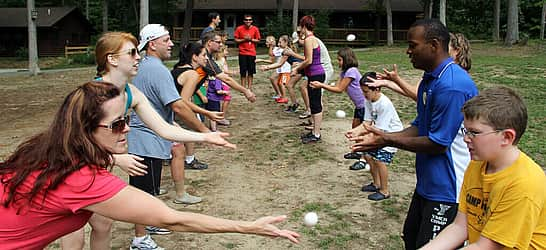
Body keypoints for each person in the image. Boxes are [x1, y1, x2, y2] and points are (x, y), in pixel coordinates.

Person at [0, 82, 301, 250]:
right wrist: (246, 227)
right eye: (117, 124)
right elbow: (172, 219)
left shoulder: (54, 149)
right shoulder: (83, 179)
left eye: (128, 119)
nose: (127, 129)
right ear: (86, 130)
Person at [59, 31, 226, 250]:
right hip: (71, 169)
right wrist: (116, 159)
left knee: (103, 224)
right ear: (112, 59)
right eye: (132, 53)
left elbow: (163, 128)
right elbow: (69, 142)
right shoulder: (91, 95)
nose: (138, 57)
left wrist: (205, 136)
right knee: (74, 234)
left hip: (95, 168)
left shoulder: (131, 92)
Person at [346, 19, 478, 249]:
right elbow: (420, 126)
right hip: (428, 183)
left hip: (448, 189)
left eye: (413, 45)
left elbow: (438, 143)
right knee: (411, 238)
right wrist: (381, 138)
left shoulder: (452, 85)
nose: (408, 51)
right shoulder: (431, 79)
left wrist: (386, 139)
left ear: (434, 45)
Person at [421, 87, 546, 249]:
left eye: (474, 132)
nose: (466, 139)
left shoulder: (524, 184)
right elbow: (460, 226)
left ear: (506, 137)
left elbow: (486, 247)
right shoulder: (477, 164)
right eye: (465, 131)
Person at [358, 72, 403, 201]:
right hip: (378, 131)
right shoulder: (368, 100)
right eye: (363, 91)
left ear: (376, 89)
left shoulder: (384, 104)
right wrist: (355, 133)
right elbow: (366, 122)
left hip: (392, 134)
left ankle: (384, 191)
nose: (364, 94)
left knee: (380, 160)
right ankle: (376, 184)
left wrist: (366, 137)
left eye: (366, 91)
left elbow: (380, 129)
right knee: (367, 155)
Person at [291, 15, 327, 144]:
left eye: (300, 26)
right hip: (315, 74)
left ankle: (316, 134)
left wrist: (296, 69)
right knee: (313, 103)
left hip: (316, 74)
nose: (299, 29)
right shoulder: (312, 38)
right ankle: (314, 131)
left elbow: (309, 60)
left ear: (303, 26)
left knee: (316, 104)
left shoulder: (308, 39)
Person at [200, 31, 256, 103]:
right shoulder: (205, 57)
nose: (221, 45)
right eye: (218, 42)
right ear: (210, 42)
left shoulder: (206, 55)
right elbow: (225, 79)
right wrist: (245, 91)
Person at [260, 35, 292, 104]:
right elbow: (271, 55)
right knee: (279, 83)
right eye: (278, 42)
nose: (279, 44)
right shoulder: (280, 49)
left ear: (286, 42)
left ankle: (284, 98)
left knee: (282, 84)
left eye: (280, 42)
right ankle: (282, 96)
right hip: (281, 70)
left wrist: (271, 46)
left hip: (285, 70)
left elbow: (271, 54)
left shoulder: (283, 50)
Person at [234, 14, 261, 90]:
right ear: (244, 21)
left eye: (249, 20)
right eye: (246, 20)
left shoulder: (255, 29)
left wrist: (251, 39)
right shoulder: (239, 29)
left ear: (252, 21)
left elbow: (258, 40)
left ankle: (249, 87)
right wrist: (244, 39)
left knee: (251, 71)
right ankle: (243, 88)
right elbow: (236, 40)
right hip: (242, 53)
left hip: (252, 53)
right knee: (243, 71)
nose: (248, 21)